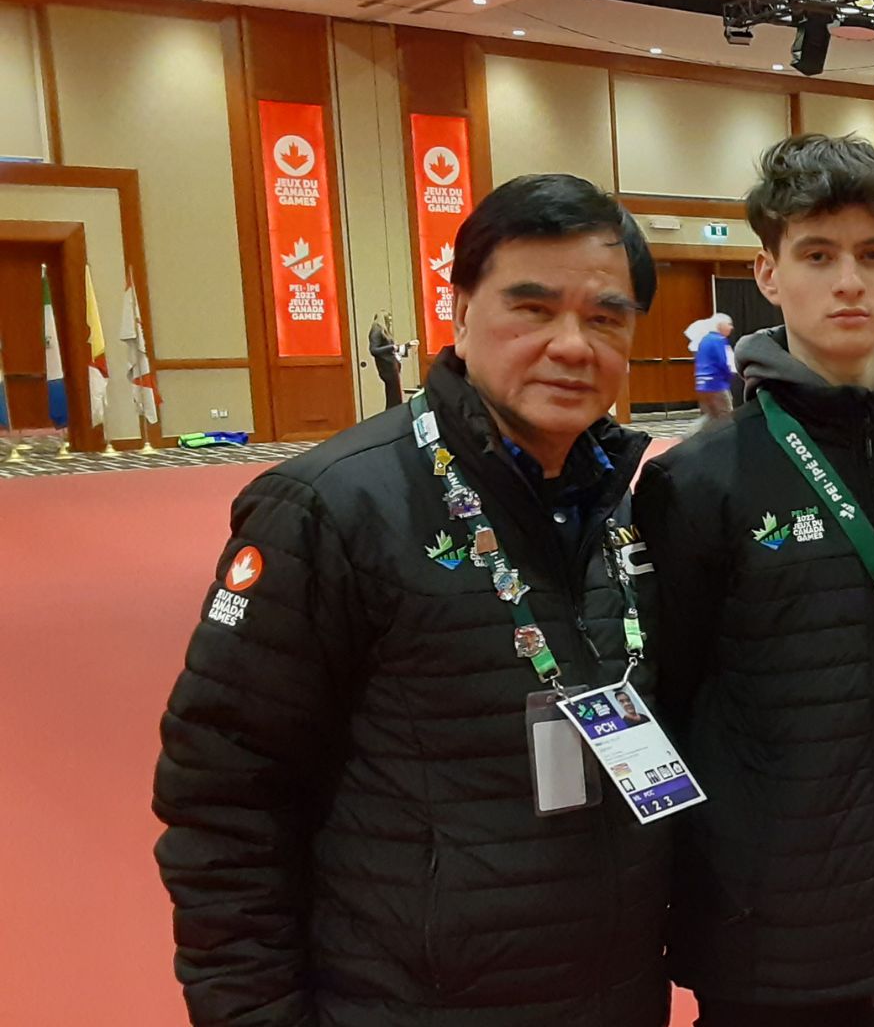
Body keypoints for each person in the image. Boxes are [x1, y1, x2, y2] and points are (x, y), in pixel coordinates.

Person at [153, 174, 672, 1024]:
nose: (573, 345)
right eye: (532, 309)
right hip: (408, 1001)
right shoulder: (329, 507)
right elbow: (225, 802)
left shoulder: (628, 502)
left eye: (605, 317)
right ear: (459, 312)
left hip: (609, 994)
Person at [635, 134, 874, 1026]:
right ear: (768, 272)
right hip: (774, 930)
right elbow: (670, 696)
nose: (850, 282)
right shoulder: (701, 480)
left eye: (873, 256)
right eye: (818, 255)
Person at [690, 311, 737, 430]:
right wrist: (729, 376)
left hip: (702, 384)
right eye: (729, 324)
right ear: (721, 325)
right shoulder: (719, 340)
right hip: (717, 384)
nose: (731, 327)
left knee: (708, 417)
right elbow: (723, 362)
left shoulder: (704, 340)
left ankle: (696, 438)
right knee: (726, 417)